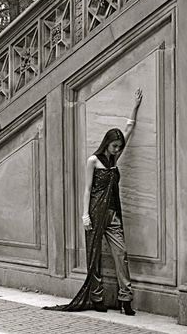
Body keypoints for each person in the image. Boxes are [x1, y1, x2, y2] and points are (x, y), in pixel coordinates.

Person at [43, 88, 143, 315]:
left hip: (113, 215)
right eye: (114, 146)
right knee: (94, 256)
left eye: (119, 147)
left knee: (121, 255)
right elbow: (87, 189)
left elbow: (129, 129)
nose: (117, 149)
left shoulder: (114, 159)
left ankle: (125, 299)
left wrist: (135, 107)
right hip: (95, 214)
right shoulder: (93, 161)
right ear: (106, 143)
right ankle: (97, 298)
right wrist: (84, 215)